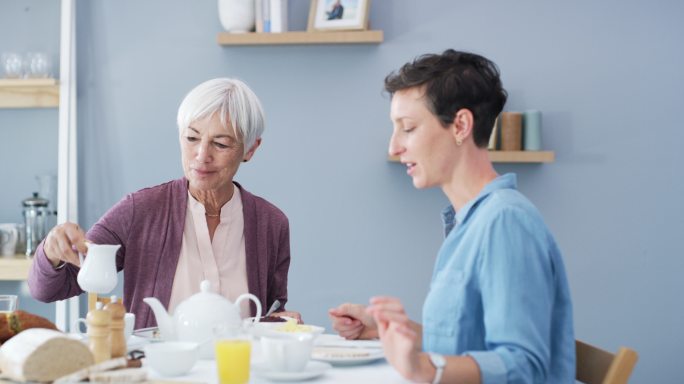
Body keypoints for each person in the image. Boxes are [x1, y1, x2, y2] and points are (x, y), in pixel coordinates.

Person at [329, 50, 574, 383]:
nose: (394, 146)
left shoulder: (505, 222)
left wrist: (425, 368)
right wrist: (395, 334)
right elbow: (468, 344)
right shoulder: (469, 223)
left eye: (408, 128)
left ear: (460, 125)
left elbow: (525, 367)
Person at [28, 78, 299, 329]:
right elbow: (49, 289)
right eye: (192, 138)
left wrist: (280, 321)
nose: (202, 155)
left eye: (220, 144)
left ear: (250, 149)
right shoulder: (140, 210)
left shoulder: (271, 224)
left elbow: (271, 312)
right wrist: (52, 253)